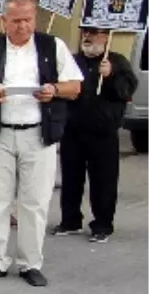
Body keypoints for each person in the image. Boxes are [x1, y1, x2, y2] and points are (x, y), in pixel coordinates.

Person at [0, 0, 83, 286]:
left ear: (35, 19)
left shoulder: (52, 46)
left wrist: (53, 90)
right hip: (0, 133)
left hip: (38, 133)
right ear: (4, 21)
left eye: (28, 20)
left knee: (35, 201)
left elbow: (76, 86)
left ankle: (30, 263)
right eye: (16, 21)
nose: (22, 26)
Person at [53, 26, 139, 242]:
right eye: (85, 32)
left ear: (105, 37)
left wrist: (110, 76)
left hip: (103, 132)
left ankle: (102, 224)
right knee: (71, 178)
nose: (88, 37)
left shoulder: (118, 62)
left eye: (93, 33)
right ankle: (70, 220)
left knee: (103, 181)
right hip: (73, 129)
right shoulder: (72, 61)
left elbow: (126, 91)